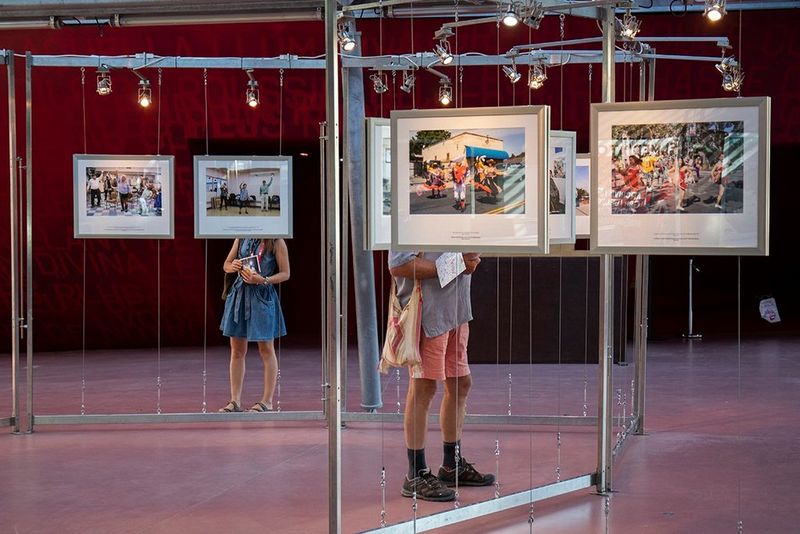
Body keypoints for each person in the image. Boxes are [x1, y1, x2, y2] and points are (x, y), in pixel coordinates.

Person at [388, 251, 495, 502]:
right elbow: (399, 264)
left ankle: (451, 464)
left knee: (460, 383)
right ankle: (415, 474)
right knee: (424, 388)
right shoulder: (409, 214)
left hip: (455, 312)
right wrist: (458, 264)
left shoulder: (455, 215)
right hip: (429, 312)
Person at [219, 238, 289, 413]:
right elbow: (226, 264)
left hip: (262, 296)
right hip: (239, 296)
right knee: (236, 350)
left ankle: (267, 401)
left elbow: (285, 273)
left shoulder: (277, 241)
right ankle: (235, 400)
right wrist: (232, 266)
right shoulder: (241, 237)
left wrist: (263, 279)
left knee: (266, 348)